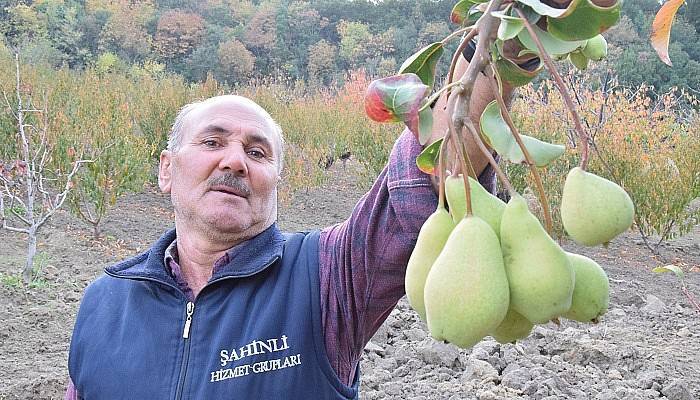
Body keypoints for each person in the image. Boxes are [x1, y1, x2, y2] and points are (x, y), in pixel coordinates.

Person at [65, 44, 518, 399]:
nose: (235, 161)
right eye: (211, 142)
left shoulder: (324, 276)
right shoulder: (103, 305)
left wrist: (503, 42)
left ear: (276, 181)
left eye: (257, 153)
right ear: (167, 169)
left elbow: (422, 190)